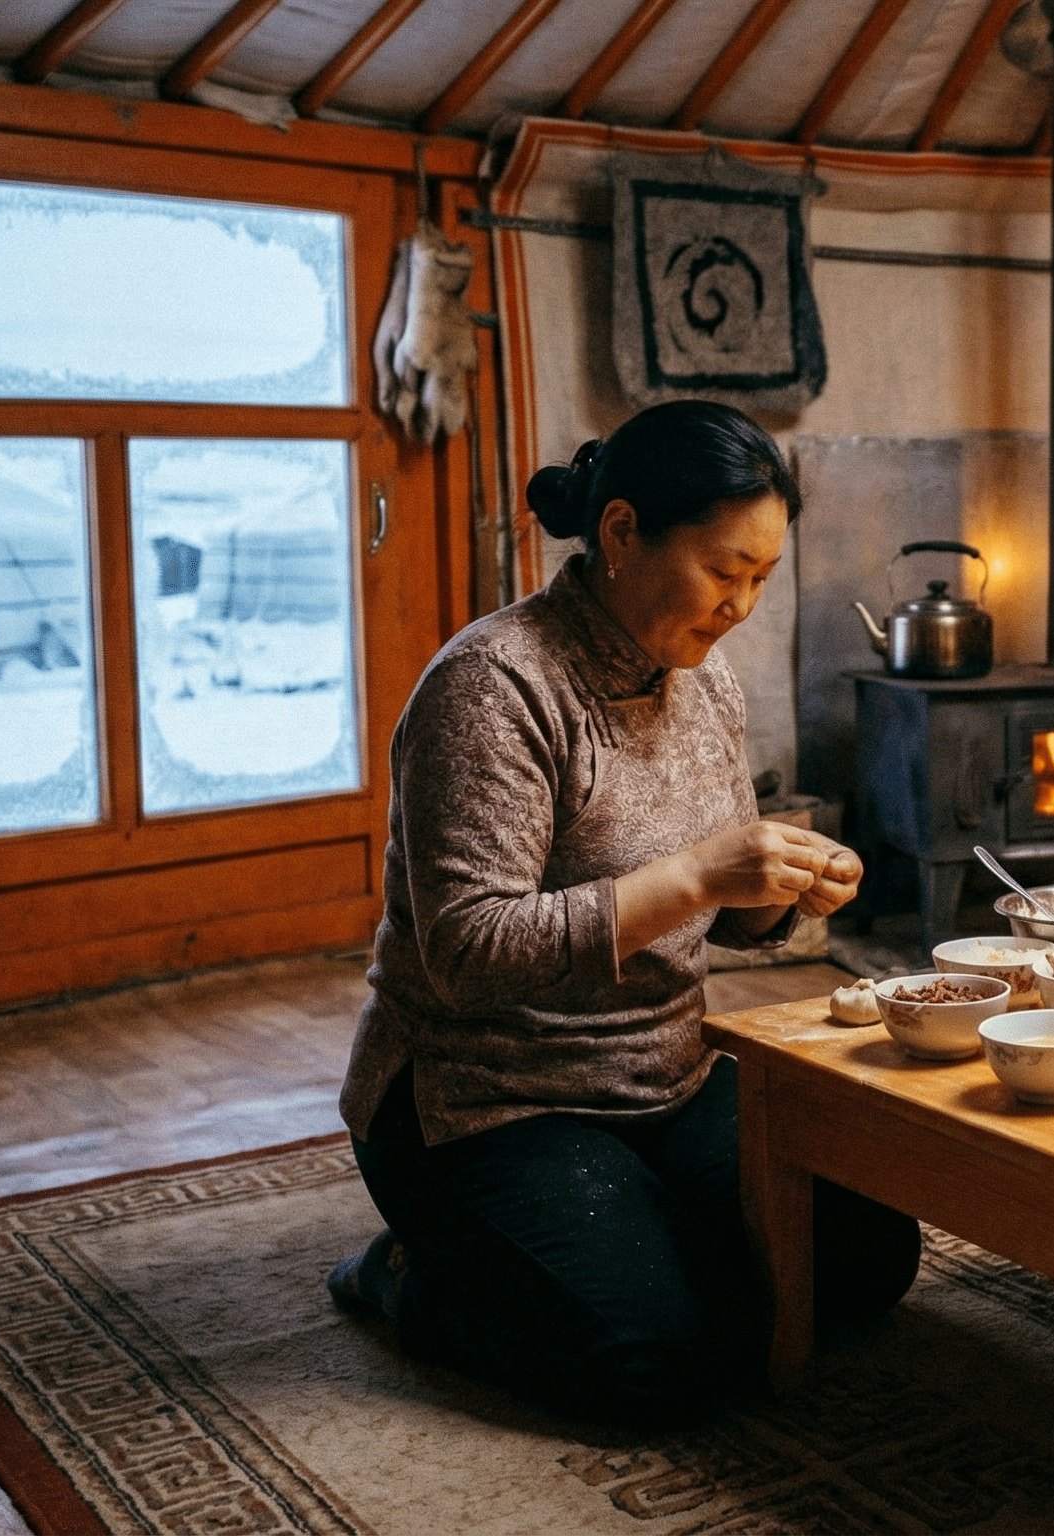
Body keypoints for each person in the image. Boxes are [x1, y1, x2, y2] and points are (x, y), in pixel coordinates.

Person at [325, 401, 921, 1425]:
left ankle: (649, 1246)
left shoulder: (704, 681)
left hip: (662, 1079)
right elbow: (468, 951)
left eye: (761, 580)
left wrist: (778, 893)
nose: (740, 606)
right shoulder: (493, 686)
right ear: (620, 535)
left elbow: (724, 917)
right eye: (722, 571)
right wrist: (695, 877)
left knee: (871, 1254)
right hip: (483, 1103)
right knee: (656, 1360)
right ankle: (408, 1275)